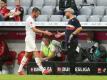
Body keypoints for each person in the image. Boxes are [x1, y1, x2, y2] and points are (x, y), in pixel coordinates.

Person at [18, 7, 52, 75]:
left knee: (27, 54)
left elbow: (33, 30)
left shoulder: (32, 19)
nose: (38, 15)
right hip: (29, 39)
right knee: (36, 53)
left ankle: (19, 70)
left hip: (30, 39)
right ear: (34, 12)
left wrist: (39, 33)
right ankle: (43, 70)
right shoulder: (30, 19)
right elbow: (33, 29)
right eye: (38, 14)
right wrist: (44, 32)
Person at [55, 8, 82, 73]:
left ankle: (72, 72)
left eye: (66, 12)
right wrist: (61, 34)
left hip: (72, 41)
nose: (65, 14)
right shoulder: (70, 21)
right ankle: (72, 71)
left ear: (69, 12)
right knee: (70, 56)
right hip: (69, 41)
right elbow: (68, 31)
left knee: (71, 56)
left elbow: (80, 28)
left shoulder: (74, 20)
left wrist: (73, 34)